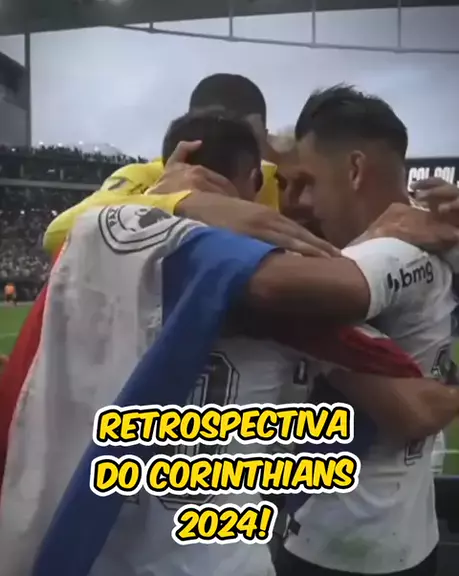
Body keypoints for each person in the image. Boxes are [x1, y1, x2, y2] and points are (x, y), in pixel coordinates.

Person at [3, 112, 459, 576]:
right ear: (252, 180)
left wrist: (167, 199)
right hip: (222, 555)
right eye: (282, 183)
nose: (295, 201)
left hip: (100, 545)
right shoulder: (271, 289)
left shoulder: (93, 254)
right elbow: (413, 405)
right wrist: (380, 242)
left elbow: (67, 231)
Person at [275, 85, 456, 576]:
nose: (301, 202)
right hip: (409, 535)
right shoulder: (440, 243)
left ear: (355, 170)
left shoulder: (386, 254)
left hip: (339, 547)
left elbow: (270, 292)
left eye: (309, 182)